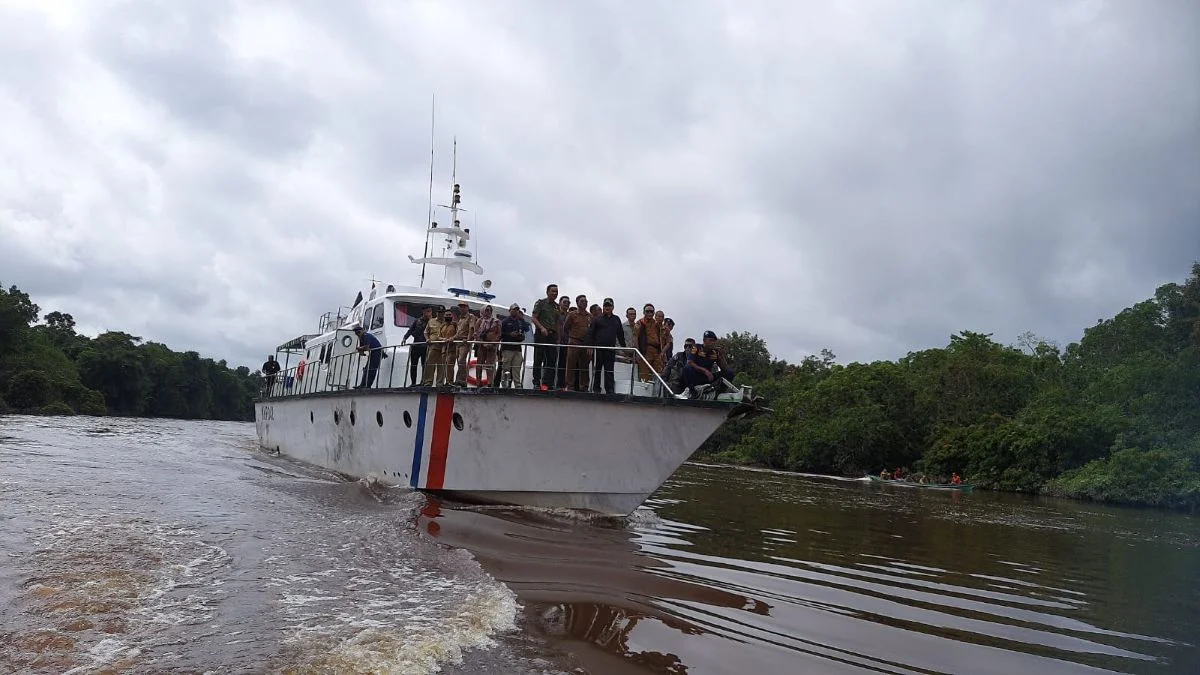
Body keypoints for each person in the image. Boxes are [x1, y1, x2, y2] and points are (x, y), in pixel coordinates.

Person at [585, 298, 625, 394]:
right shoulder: (597, 319)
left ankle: (610, 389)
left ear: (613, 307)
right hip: (599, 349)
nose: (607, 307)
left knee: (609, 370)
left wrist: (624, 348)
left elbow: (620, 334)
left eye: (609, 306)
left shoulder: (616, 319)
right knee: (597, 370)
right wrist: (589, 345)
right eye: (605, 306)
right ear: (603, 307)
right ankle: (596, 388)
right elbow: (591, 333)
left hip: (610, 349)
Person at [530, 284, 561, 391]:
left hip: (552, 335)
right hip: (541, 334)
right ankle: (536, 382)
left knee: (552, 360)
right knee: (538, 359)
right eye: (553, 291)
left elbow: (557, 322)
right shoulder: (541, 303)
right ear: (547, 292)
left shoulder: (557, 307)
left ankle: (548, 383)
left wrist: (558, 336)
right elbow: (534, 318)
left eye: (556, 292)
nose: (555, 293)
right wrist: (542, 328)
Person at [563, 294, 593, 391]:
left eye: (586, 301)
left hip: (585, 343)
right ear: (577, 303)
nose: (584, 303)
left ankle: (584, 386)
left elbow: (592, 331)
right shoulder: (572, 314)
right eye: (582, 301)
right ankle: (569, 386)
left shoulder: (590, 316)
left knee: (584, 366)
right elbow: (565, 328)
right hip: (574, 342)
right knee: (571, 365)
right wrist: (571, 337)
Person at [634, 304, 666, 381]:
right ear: (644, 312)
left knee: (658, 375)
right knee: (645, 375)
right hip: (645, 351)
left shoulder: (657, 324)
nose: (649, 313)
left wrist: (662, 353)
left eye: (651, 311)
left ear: (653, 313)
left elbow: (664, 337)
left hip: (656, 351)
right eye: (647, 311)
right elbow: (635, 338)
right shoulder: (640, 323)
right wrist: (637, 352)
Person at [498, 303, 527, 388]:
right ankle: (504, 385)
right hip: (507, 348)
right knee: (506, 368)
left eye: (517, 310)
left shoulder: (520, 322)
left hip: (517, 348)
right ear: (510, 311)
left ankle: (517, 385)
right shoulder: (505, 321)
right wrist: (510, 334)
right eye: (514, 309)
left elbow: (526, 329)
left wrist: (520, 335)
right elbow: (500, 334)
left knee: (517, 368)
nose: (515, 311)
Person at [402, 307, 432, 386]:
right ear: (423, 312)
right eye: (428, 311)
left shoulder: (431, 322)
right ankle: (413, 383)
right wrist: (405, 338)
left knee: (424, 365)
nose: (429, 313)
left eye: (430, 311)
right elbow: (410, 330)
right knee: (413, 365)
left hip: (425, 346)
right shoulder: (417, 321)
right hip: (416, 346)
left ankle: (423, 382)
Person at [474, 305, 501, 387]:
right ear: (483, 311)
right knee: (479, 364)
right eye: (487, 310)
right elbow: (476, 334)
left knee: (490, 364)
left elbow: (499, 334)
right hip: (481, 346)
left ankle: (490, 383)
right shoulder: (479, 321)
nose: (489, 312)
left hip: (492, 346)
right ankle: (478, 382)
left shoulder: (496, 322)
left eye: (490, 310)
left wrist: (492, 344)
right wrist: (483, 343)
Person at [453, 301, 478, 386]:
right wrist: (452, 338)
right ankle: (458, 379)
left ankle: (463, 380)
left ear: (467, 308)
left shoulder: (471, 316)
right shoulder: (460, 318)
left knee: (461, 360)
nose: (462, 308)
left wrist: (468, 339)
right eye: (461, 307)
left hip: (464, 342)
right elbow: (458, 331)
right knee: (459, 361)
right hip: (458, 342)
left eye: (464, 306)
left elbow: (471, 328)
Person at [352, 323, 384, 389]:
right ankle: (362, 385)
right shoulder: (361, 338)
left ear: (362, 331)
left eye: (358, 332)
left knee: (372, 369)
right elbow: (362, 348)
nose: (357, 334)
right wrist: (360, 351)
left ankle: (368, 385)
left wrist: (359, 348)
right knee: (366, 369)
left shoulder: (366, 336)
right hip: (372, 352)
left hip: (377, 352)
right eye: (356, 333)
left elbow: (366, 346)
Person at [554, 296, 572, 390]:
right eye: (564, 302)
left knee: (564, 364)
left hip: (567, 342)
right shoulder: (556, 314)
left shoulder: (571, 315)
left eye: (568, 302)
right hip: (556, 342)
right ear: (560, 303)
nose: (566, 304)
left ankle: (561, 385)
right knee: (553, 363)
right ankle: (550, 384)